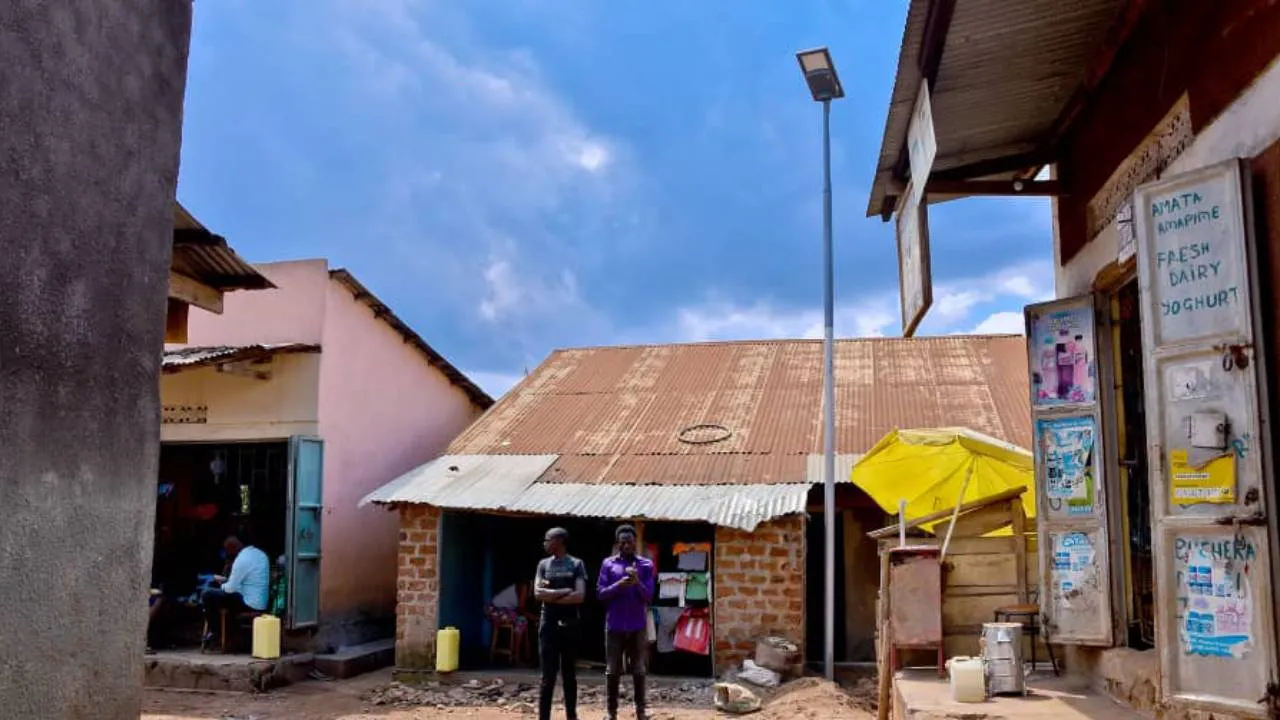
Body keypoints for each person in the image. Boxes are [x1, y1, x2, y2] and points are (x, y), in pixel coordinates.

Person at [596, 525, 655, 720]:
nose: (627, 544)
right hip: (614, 625)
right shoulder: (608, 564)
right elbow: (600, 594)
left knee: (639, 670)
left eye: (630, 541)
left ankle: (641, 712)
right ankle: (611, 713)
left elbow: (649, 596)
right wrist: (618, 585)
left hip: (637, 625)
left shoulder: (646, 565)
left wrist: (637, 581)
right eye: (623, 541)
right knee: (612, 671)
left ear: (634, 542)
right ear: (617, 543)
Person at [533, 527, 587, 720]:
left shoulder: (576, 564)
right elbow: (538, 593)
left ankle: (571, 716)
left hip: (570, 625)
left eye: (548, 539)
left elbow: (580, 596)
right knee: (547, 676)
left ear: (559, 541)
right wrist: (564, 591)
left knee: (569, 675)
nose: (545, 543)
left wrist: (551, 597)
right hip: (548, 626)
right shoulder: (543, 565)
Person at [201, 534, 269, 648]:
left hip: (249, 603)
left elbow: (230, 589)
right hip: (261, 601)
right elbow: (248, 581)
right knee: (219, 598)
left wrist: (222, 583)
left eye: (227, 551)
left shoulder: (241, 560)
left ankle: (217, 632)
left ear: (232, 549)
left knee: (207, 594)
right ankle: (225, 632)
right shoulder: (260, 554)